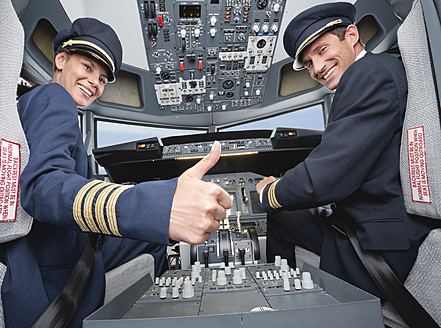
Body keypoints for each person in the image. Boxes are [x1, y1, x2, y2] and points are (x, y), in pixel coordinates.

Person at [1, 17, 232, 327]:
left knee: (150, 239)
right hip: (55, 261)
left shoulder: (31, 103)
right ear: (60, 60)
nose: (94, 82)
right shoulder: (53, 99)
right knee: (154, 234)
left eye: (102, 78)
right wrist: (158, 207)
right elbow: (43, 186)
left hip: (58, 243)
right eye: (87, 67)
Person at [256, 2, 437, 302]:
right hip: (379, 225)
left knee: (279, 213)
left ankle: (283, 303)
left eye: (322, 50)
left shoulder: (367, 75)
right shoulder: (379, 71)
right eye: (309, 62)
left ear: (351, 35)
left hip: (378, 247)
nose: (316, 67)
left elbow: (324, 179)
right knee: (286, 217)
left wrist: (268, 192)